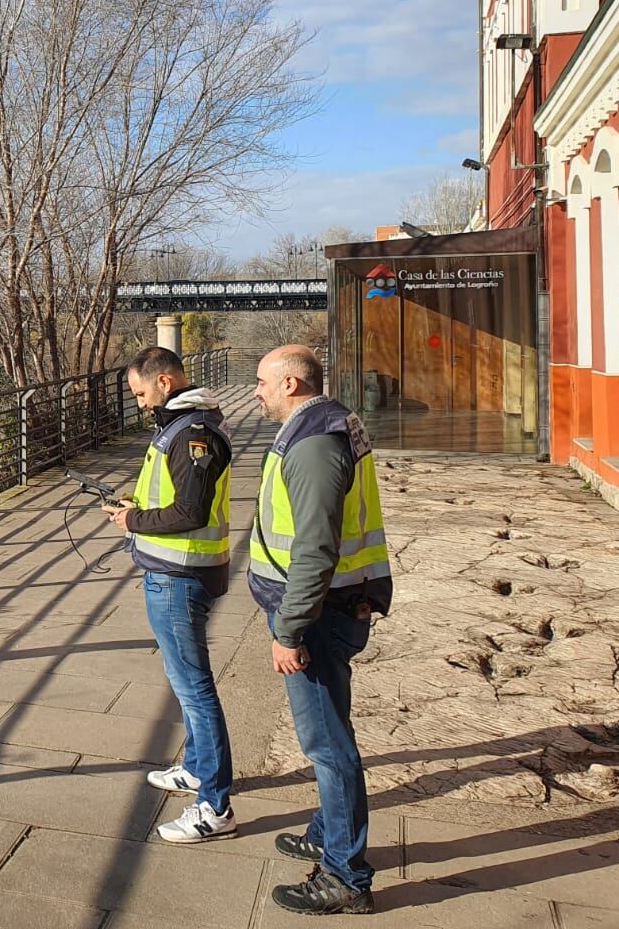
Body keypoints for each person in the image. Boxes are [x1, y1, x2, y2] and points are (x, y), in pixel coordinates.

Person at [250, 345, 393, 916]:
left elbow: (314, 550)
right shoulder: (323, 428)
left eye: (261, 381)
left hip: (313, 615)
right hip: (329, 607)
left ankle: (346, 876)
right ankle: (325, 833)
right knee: (331, 736)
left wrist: (288, 630)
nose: (254, 389)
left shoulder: (312, 445)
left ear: (289, 383)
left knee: (329, 746)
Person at [102, 345, 235, 844]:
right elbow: (179, 499)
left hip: (181, 576)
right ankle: (200, 769)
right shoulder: (183, 426)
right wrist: (135, 505)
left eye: (140, 392)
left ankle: (215, 806)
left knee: (194, 689)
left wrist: (132, 520)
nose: (138, 403)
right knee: (186, 682)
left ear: (163, 382)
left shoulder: (192, 432)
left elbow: (191, 512)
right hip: (178, 571)